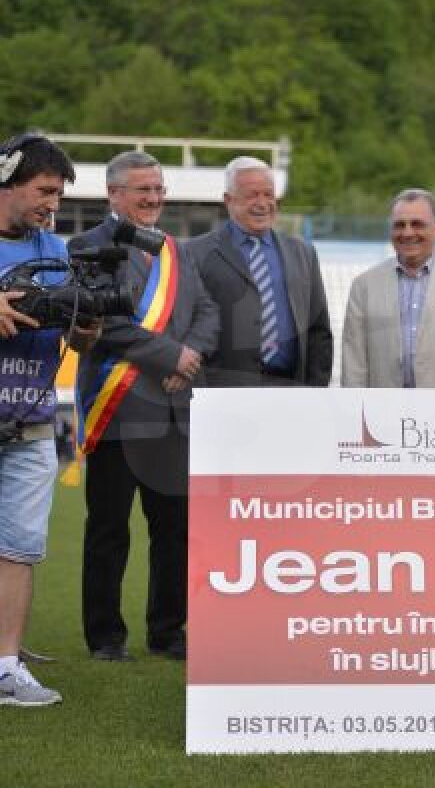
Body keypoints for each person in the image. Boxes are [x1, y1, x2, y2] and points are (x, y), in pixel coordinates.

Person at [72, 151, 219, 662]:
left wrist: (191, 357)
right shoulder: (87, 246)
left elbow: (206, 310)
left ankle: (167, 630)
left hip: (175, 409)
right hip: (118, 410)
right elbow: (103, 323)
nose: (154, 198)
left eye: (159, 189)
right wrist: (171, 355)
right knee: (109, 530)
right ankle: (106, 636)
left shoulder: (176, 249)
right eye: (143, 191)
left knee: (173, 529)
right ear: (114, 194)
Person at [0, 133, 98, 706]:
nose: (51, 205)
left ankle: (7, 666)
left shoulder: (57, 251)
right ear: (8, 179)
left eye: (58, 195)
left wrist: (87, 326)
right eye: (44, 191)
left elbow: (77, 334)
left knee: (19, 548)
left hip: (31, 422)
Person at [185, 157, 332, 388]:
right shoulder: (194, 253)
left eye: (268, 194)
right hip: (222, 392)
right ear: (229, 200)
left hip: (291, 389)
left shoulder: (303, 253)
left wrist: (316, 390)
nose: (262, 203)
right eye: (252, 195)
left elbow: (318, 330)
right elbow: (186, 326)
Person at [341, 189, 435, 388]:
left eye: (417, 224)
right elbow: (354, 364)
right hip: (383, 412)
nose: (408, 232)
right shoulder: (364, 286)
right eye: (399, 225)